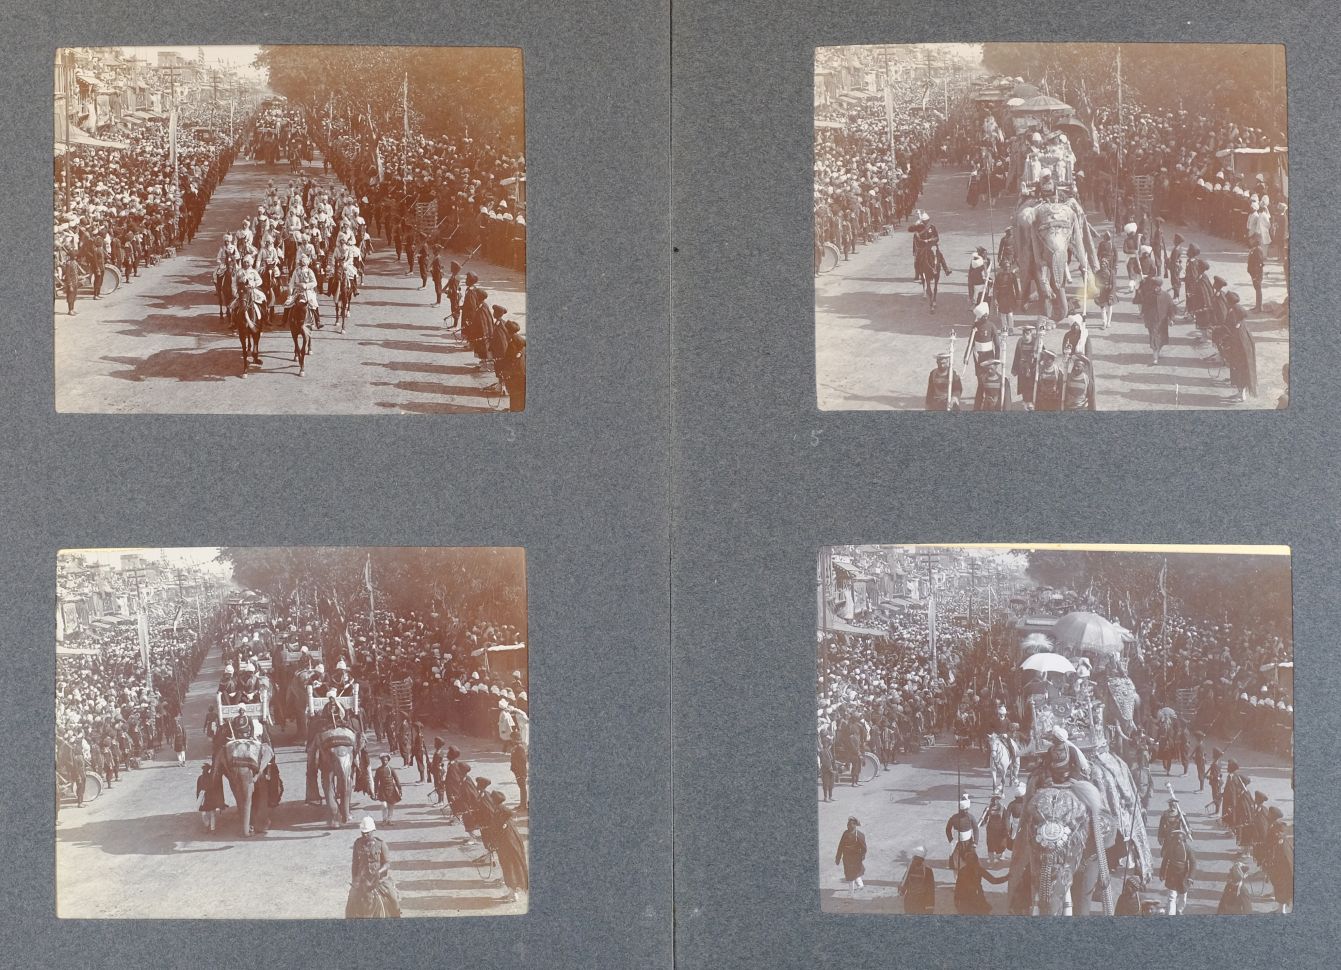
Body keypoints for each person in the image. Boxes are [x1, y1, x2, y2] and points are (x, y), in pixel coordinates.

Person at [346, 816, 402, 917]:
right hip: (363, 880)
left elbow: (387, 863)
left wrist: (379, 872)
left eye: (367, 832)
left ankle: (397, 918)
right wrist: (355, 880)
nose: (365, 834)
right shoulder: (357, 843)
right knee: (351, 899)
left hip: (380, 880)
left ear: (373, 831)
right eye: (363, 832)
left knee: (393, 899)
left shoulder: (381, 844)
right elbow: (355, 863)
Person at [486, 790, 530, 902]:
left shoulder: (500, 812)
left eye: (491, 798)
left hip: (508, 846)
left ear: (494, 800)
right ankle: (512, 892)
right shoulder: (501, 811)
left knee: (509, 868)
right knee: (510, 867)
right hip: (509, 845)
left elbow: (508, 814)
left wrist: (502, 825)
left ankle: (513, 895)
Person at [952, 831, 1008, 914]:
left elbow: (958, 888)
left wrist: (957, 901)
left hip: (965, 900)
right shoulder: (979, 869)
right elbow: (993, 880)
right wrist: (1007, 877)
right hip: (977, 897)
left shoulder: (962, 871)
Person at [1222, 291, 1258, 403]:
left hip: (1239, 350)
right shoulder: (1241, 322)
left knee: (1239, 370)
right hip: (1242, 348)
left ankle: (1241, 394)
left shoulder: (1233, 315)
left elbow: (1229, 332)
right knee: (1240, 369)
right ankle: (1240, 392)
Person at [1135, 272, 1175, 364]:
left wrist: (1171, 319)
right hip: (1152, 321)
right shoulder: (1149, 295)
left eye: (1156, 286)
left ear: (1159, 286)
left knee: (1160, 338)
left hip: (1162, 321)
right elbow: (1144, 306)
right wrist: (1143, 314)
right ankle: (1155, 357)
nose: (1154, 288)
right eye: (1153, 286)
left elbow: (1171, 308)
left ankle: (1157, 352)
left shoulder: (1166, 296)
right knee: (1153, 337)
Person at [1159, 827, 1196, 915]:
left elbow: (1193, 863)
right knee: (1172, 897)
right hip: (1171, 875)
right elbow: (1165, 861)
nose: (1178, 841)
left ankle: (1179, 910)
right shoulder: (1170, 848)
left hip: (1183, 876)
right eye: (1176, 839)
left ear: (1183, 839)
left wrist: (1191, 877)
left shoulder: (1187, 848)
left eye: (1180, 839)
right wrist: (1162, 873)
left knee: (1183, 896)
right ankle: (1171, 914)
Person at [898, 846, 936, 914]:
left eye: (914, 858)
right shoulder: (927, 870)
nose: (913, 859)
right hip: (920, 902)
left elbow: (902, 889)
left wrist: (901, 890)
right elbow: (930, 890)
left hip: (911, 902)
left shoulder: (911, 868)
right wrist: (930, 906)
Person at [835, 816, 867, 894]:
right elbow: (841, 845)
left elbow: (864, 848)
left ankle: (853, 890)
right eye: (847, 824)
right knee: (850, 873)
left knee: (854, 872)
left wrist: (862, 856)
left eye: (850, 825)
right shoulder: (845, 833)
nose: (848, 826)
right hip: (846, 858)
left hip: (856, 858)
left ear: (854, 825)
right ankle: (858, 886)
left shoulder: (859, 835)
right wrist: (838, 858)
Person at [1010, 322, 1040, 403]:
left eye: (1027, 333)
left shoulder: (1036, 341)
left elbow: (1043, 354)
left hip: (1032, 368)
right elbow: (1017, 355)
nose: (1025, 335)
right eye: (1024, 333)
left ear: (1031, 333)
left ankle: (1032, 400)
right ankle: (1025, 400)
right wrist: (1014, 369)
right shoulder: (1020, 341)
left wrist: (1037, 356)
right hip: (1022, 367)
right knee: (1023, 385)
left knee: (1032, 384)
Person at [373, 753, 402, 827]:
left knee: (391, 805)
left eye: (386, 760)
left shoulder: (391, 769)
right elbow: (376, 781)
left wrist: (400, 789)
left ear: (388, 761)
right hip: (382, 790)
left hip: (391, 790)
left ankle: (389, 820)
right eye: (383, 760)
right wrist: (375, 792)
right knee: (384, 805)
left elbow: (396, 779)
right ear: (381, 761)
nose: (384, 761)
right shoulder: (378, 770)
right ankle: (384, 819)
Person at [983, 794, 1008, 865]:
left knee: (1001, 844)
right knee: (991, 844)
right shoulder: (988, 808)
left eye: (997, 798)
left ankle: (999, 858)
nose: (995, 800)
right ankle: (992, 859)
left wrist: (1006, 829)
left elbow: (1006, 819)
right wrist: (982, 823)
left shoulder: (1003, 808)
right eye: (994, 799)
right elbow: (984, 819)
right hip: (991, 829)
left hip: (1000, 830)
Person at [510, 734, 529, 810]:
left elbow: (523, 761)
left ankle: (524, 806)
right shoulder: (516, 747)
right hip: (517, 771)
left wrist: (520, 772)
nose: (511, 740)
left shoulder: (520, 748)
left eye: (513, 738)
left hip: (520, 771)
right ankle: (522, 804)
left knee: (522, 788)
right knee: (521, 787)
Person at [1248, 240, 1266, 311]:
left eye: (1252, 239)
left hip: (1257, 273)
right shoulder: (1255, 249)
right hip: (1254, 273)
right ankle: (1257, 305)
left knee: (1258, 289)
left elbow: (1258, 263)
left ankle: (1259, 307)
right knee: (1257, 289)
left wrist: (1255, 275)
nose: (1250, 241)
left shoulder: (1257, 250)